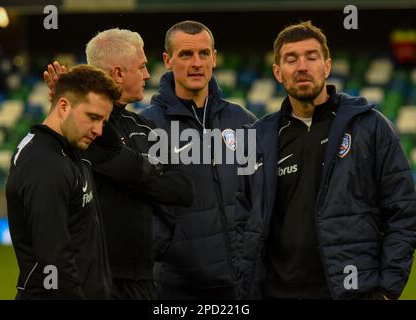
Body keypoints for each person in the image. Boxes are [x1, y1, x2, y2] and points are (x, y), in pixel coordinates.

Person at [235, 21, 416, 300]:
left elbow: (403, 210)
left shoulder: (368, 126)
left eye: (312, 57)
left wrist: (387, 290)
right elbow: (240, 219)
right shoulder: (258, 138)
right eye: (291, 59)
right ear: (277, 72)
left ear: (327, 66)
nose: (302, 67)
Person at [44, 28, 195, 300]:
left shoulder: (146, 128)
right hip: (93, 279)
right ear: (117, 74)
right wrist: (148, 171)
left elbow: (183, 189)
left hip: (144, 280)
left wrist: (129, 170)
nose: (148, 75)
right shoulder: (79, 131)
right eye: (142, 66)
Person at [141, 20, 257, 299]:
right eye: (186, 54)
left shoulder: (242, 121)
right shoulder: (147, 127)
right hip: (177, 287)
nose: (197, 63)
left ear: (214, 58)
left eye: (204, 54)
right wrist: (168, 248)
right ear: (168, 61)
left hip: (241, 284)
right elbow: (140, 204)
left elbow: (259, 194)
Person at [6, 65, 121, 299]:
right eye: (93, 117)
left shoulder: (71, 147)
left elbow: (113, 148)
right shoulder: (45, 164)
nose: (99, 130)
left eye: (104, 121)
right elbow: (54, 260)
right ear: (64, 106)